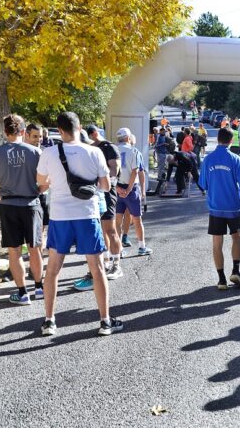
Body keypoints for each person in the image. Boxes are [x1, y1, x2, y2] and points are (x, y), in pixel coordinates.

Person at [36, 112, 121, 336]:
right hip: (87, 214)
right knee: (98, 268)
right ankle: (105, 321)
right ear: (79, 127)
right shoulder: (95, 151)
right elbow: (105, 186)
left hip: (60, 216)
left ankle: (49, 321)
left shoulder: (49, 152)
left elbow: (41, 185)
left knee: (53, 269)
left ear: (60, 130)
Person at [0, 114, 44, 305]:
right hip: (31, 204)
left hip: (9, 205)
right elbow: (46, 181)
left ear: (4, 131)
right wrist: (37, 191)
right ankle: (39, 288)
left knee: (14, 251)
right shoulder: (36, 152)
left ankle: (22, 292)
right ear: (23, 132)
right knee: (35, 250)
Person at [198, 127, 240, 290]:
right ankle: (235, 270)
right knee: (236, 238)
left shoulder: (208, 159)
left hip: (215, 208)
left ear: (218, 139)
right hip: (233, 208)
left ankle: (221, 280)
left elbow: (203, 184)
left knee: (217, 243)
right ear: (231, 141)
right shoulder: (236, 159)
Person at [83, 125, 125, 283]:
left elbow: (114, 170)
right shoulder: (89, 149)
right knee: (100, 230)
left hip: (107, 193)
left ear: (94, 134)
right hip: (93, 194)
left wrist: (104, 184)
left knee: (110, 229)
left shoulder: (109, 147)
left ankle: (117, 265)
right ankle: (106, 263)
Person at [115, 128, 152, 256]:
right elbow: (136, 171)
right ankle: (142, 247)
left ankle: (118, 248)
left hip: (117, 188)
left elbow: (109, 172)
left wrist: (117, 188)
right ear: (128, 138)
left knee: (117, 219)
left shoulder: (113, 150)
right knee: (137, 219)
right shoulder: (134, 151)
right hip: (131, 189)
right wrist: (130, 189)